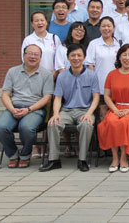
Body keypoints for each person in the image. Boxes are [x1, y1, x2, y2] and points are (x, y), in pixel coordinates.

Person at [40, 44, 100, 172]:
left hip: (85, 110)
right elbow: (58, 98)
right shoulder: (62, 76)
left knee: (86, 124)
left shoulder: (92, 75)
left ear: (84, 57)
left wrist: (89, 113)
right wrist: (56, 114)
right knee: (53, 123)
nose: (76, 58)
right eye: (73, 55)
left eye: (79, 55)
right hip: (67, 111)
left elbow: (96, 97)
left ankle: (82, 160)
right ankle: (54, 160)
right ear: (68, 57)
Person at [0, 44, 54, 168]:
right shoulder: (12, 71)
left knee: (26, 127)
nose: (33, 57)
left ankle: (25, 155)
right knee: (0, 127)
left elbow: (47, 98)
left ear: (40, 57)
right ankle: (12, 154)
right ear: (23, 55)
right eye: (29, 53)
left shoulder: (46, 74)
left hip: (35, 109)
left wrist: (28, 109)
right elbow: (5, 94)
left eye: (36, 54)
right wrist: (12, 109)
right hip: (14, 107)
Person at [98, 44, 129, 173]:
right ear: (119, 57)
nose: (127, 58)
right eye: (124, 55)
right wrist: (114, 110)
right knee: (112, 122)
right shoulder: (112, 74)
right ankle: (115, 158)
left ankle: (124, 157)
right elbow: (107, 96)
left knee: (125, 122)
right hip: (116, 107)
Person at [85, 16, 120, 97]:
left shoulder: (119, 44)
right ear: (99, 28)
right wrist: (94, 83)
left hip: (116, 85)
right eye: (103, 26)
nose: (106, 28)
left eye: (109, 26)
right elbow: (90, 65)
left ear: (113, 28)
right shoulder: (94, 44)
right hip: (99, 85)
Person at [22, 11, 61, 80]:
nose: (40, 23)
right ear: (32, 24)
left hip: (53, 76)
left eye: (42, 20)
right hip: (35, 77)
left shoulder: (54, 38)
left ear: (46, 22)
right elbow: (25, 59)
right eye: (36, 21)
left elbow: (60, 58)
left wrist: (55, 72)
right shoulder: (28, 40)